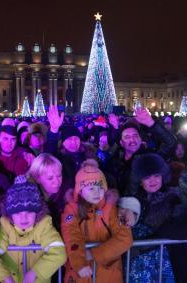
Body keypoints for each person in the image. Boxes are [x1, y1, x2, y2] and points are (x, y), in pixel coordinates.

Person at [0, 182, 67, 283]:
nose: (23, 218)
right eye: (17, 213)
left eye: (29, 212)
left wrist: (34, 273)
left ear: (37, 212)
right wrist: (6, 279)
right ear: (10, 214)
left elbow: (59, 253)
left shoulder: (44, 225)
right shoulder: (6, 226)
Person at [61, 160, 133, 283]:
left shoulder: (111, 208)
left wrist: (93, 254)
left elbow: (125, 238)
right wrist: (79, 262)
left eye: (100, 187)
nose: (97, 192)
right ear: (80, 191)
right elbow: (71, 236)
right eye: (91, 188)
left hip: (108, 275)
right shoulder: (71, 210)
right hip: (81, 274)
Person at [126, 153, 179, 282]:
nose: (153, 181)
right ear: (140, 180)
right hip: (139, 262)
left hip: (165, 259)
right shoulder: (130, 201)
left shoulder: (173, 198)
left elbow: (175, 227)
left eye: (156, 176)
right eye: (147, 177)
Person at [107, 107, 177, 195]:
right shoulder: (116, 160)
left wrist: (152, 124)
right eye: (127, 137)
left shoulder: (150, 157)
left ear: (140, 139)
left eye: (135, 136)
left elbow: (171, 144)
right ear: (121, 143)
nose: (132, 139)